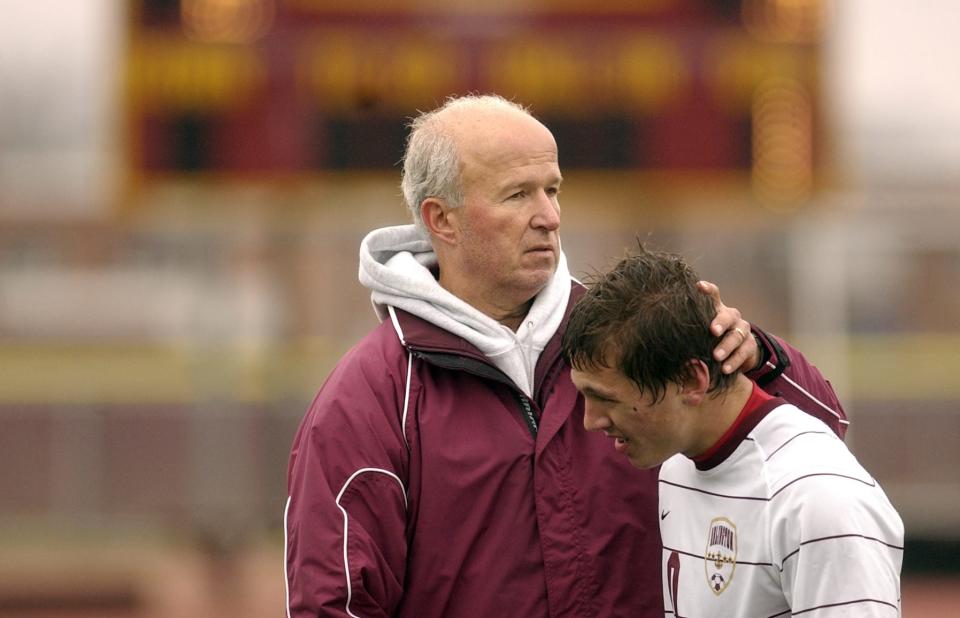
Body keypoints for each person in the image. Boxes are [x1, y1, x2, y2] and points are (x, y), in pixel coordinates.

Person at [284, 94, 848, 617]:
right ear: (441, 220)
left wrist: (761, 360)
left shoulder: (640, 339)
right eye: (517, 194)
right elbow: (333, 602)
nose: (549, 216)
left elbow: (824, 444)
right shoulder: (370, 397)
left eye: (552, 190)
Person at [563, 246, 903, 617]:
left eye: (605, 398)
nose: (590, 421)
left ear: (693, 380)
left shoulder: (818, 496)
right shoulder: (677, 466)